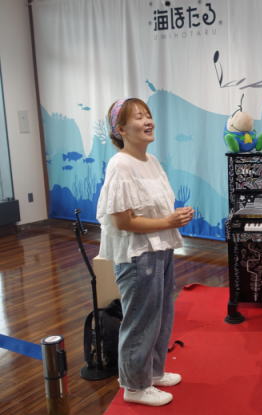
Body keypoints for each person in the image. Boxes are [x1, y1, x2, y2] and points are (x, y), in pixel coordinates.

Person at [96, 98, 194, 406]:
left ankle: (152, 372)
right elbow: (122, 221)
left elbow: (152, 209)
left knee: (161, 314)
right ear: (121, 129)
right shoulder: (120, 165)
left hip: (159, 247)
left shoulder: (150, 161)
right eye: (138, 117)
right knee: (140, 319)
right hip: (138, 253)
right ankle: (135, 385)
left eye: (148, 114)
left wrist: (174, 218)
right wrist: (168, 221)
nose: (148, 121)